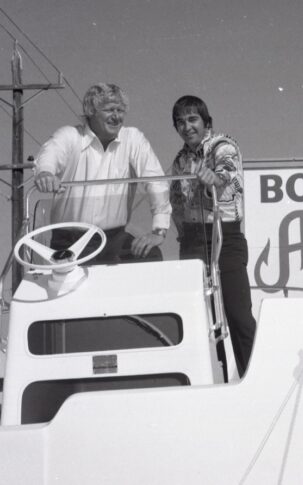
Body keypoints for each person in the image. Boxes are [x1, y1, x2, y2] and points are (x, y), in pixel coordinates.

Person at [34, 83, 171, 263]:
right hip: (70, 241)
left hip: (114, 239)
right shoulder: (70, 135)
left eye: (120, 110)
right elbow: (49, 155)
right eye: (109, 110)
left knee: (151, 256)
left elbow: (156, 181)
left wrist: (159, 230)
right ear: (91, 111)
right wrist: (45, 173)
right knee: (69, 287)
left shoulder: (133, 138)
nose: (116, 117)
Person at [170, 95, 256, 377]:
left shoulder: (223, 147)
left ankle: (253, 377)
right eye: (180, 122)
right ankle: (212, 381)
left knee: (238, 315)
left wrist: (213, 181)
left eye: (192, 119)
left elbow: (227, 178)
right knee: (202, 320)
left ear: (207, 123)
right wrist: (181, 232)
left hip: (224, 236)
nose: (187, 127)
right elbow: (176, 202)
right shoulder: (179, 160)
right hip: (193, 240)